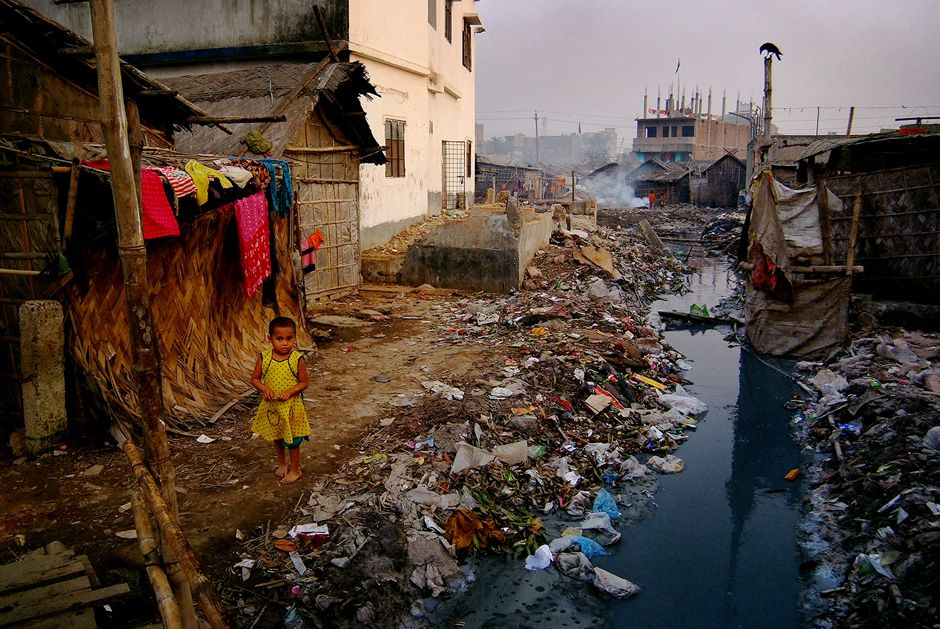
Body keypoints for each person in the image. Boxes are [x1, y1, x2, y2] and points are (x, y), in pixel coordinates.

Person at [250, 317, 310, 484]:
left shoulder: (296, 359)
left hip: (292, 407)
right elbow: (255, 379)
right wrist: (264, 389)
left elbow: (304, 382)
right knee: (277, 435)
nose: (285, 343)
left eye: (289, 338)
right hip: (273, 407)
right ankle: (282, 464)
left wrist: (290, 392)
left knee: (294, 439)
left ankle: (295, 469)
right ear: (270, 339)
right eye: (279, 339)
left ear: (295, 337)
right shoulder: (265, 357)